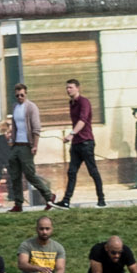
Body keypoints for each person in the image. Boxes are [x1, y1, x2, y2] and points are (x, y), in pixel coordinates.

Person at [3, 83, 55, 211]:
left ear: (26, 94)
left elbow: (36, 128)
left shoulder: (31, 107)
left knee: (30, 175)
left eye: (22, 95)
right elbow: (14, 125)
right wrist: (11, 139)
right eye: (17, 95)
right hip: (16, 145)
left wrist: (35, 145)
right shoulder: (15, 106)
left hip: (27, 145)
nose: (19, 97)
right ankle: (18, 204)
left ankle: (49, 195)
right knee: (14, 175)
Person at [56, 77, 104, 208]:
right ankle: (66, 201)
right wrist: (73, 138)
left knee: (93, 171)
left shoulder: (84, 102)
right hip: (76, 144)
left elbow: (82, 121)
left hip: (86, 142)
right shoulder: (71, 103)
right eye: (67, 87)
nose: (68, 90)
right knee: (71, 172)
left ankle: (101, 200)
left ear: (77, 88)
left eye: (70, 87)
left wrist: (71, 134)